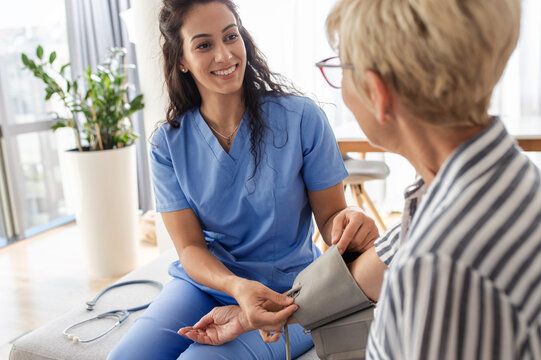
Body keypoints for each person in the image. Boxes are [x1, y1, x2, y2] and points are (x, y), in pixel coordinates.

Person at [180, 0, 541, 358]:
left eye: (341, 66)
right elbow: (370, 271)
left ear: (377, 92)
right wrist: (247, 317)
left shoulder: (438, 264)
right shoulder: (490, 183)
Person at [108, 0, 381, 359]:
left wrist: (348, 225)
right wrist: (235, 287)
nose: (224, 55)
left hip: (289, 293)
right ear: (181, 60)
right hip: (205, 285)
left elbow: (331, 219)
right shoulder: (168, 143)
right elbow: (190, 247)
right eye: (204, 44)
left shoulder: (302, 118)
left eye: (230, 36)